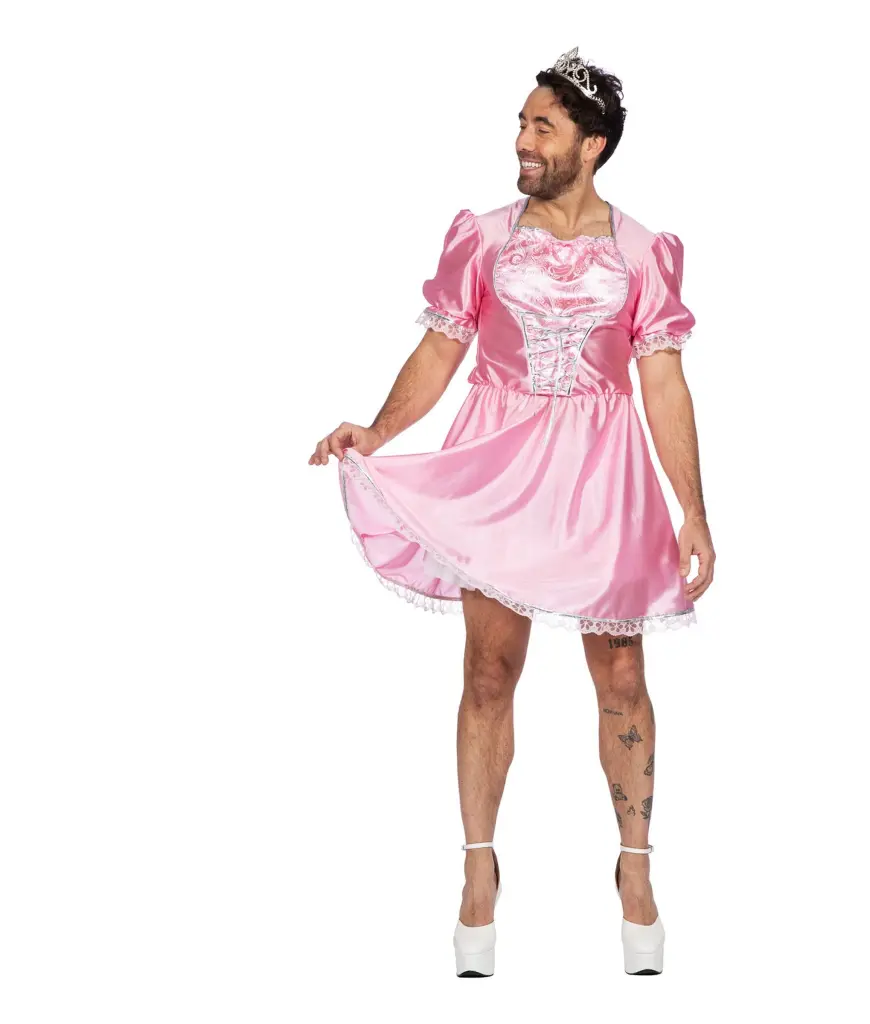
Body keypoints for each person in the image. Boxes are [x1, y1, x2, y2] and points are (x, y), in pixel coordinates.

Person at [308, 46, 715, 977]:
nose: (523, 141)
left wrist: (693, 509)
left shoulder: (642, 251)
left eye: (543, 126)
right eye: (521, 123)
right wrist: (378, 429)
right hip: (499, 469)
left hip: (604, 475)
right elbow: (441, 350)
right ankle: (478, 868)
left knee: (621, 676)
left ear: (592, 144)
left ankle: (637, 866)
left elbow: (663, 382)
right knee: (489, 671)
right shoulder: (484, 237)